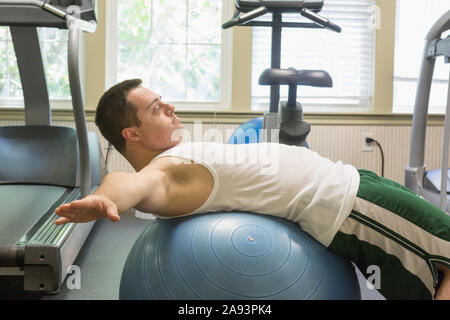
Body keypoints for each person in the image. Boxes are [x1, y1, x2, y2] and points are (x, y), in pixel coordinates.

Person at [54, 79, 450, 300]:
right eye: (157, 108)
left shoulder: (180, 158)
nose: (171, 107)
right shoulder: (166, 170)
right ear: (132, 133)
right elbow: (132, 182)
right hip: (355, 204)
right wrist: (106, 197)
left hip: (357, 188)